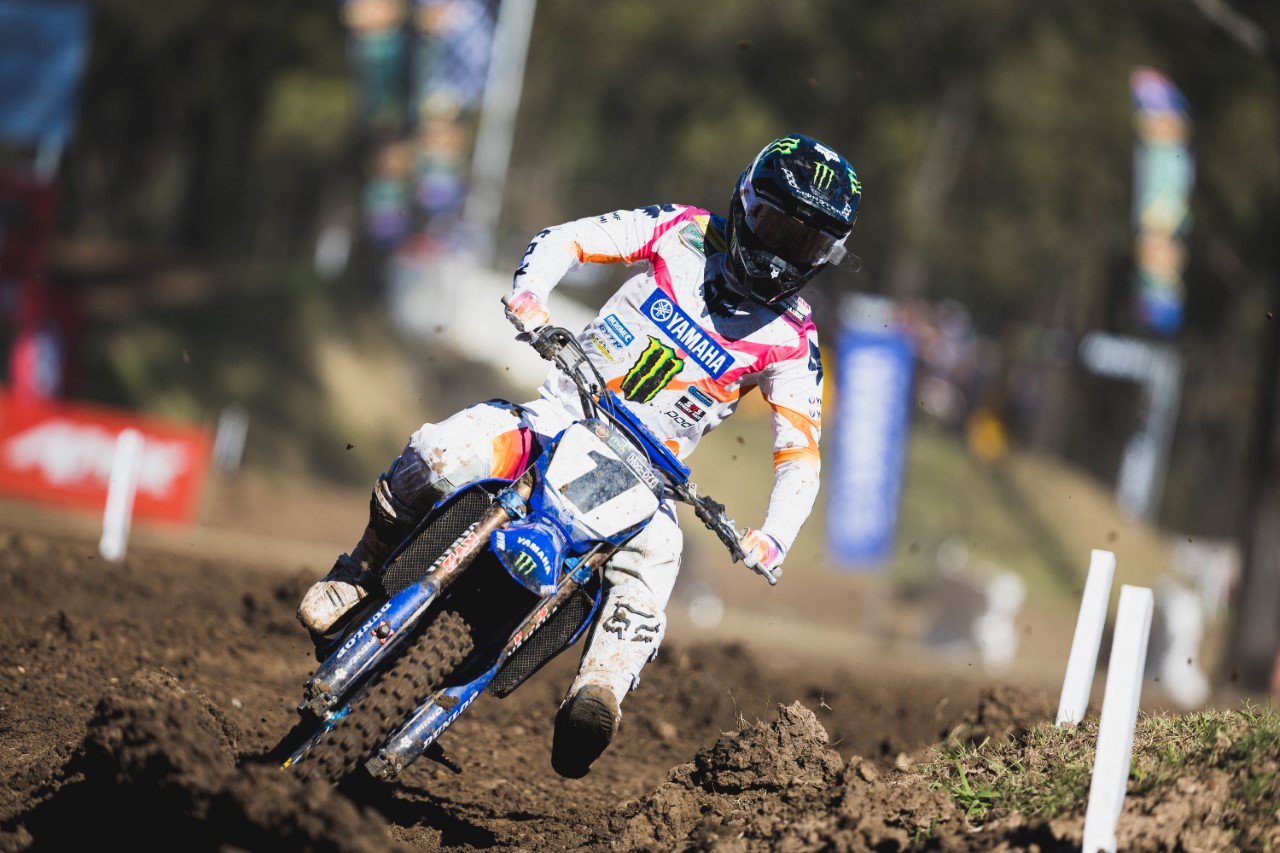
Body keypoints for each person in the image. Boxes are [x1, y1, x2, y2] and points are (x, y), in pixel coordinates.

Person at [297, 133, 862, 777]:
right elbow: (569, 239)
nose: (783, 251)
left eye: (805, 242)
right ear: (744, 203)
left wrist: (775, 537)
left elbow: (801, 455)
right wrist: (531, 297)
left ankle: (597, 696)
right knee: (439, 451)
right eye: (777, 225)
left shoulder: (794, 343)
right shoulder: (680, 231)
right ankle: (360, 571)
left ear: (826, 255)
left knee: (658, 560)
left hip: (647, 481)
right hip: (558, 419)